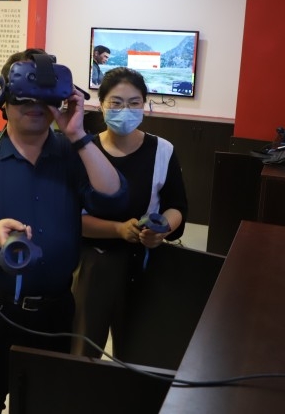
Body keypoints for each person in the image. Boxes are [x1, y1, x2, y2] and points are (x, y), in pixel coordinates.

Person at [0, 49, 128, 414]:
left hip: (55, 312)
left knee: (45, 404)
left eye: (45, 98)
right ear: (2, 97)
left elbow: (115, 200)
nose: (35, 107)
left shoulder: (74, 155)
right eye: (24, 97)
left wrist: (78, 134)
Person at [71, 66, 188, 359]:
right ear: (101, 105)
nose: (126, 110)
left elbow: (177, 205)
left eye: (134, 102)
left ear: (144, 105)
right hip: (93, 264)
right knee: (83, 348)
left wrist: (162, 229)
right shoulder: (85, 150)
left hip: (144, 263)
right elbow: (72, 217)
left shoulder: (162, 150)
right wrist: (117, 229)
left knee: (139, 350)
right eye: (116, 102)